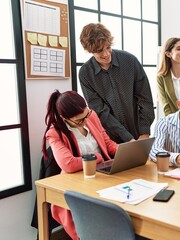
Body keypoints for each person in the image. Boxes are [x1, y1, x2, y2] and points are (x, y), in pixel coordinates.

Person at [42, 90, 118, 239]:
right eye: (79, 120)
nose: (85, 121)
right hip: (78, 181)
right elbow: (68, 164)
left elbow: (107, 143)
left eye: (86, 115)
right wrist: (97, 157)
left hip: (103, 174)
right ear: (65, 118)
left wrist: (125, 150)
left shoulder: (92, 117)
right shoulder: (55, 133)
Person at [79, 23, 155, 143]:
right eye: (99, 51)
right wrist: (127, 137)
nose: (106, 54)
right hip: (110, 139)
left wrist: (144, 132)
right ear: (90, 50)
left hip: (139, 133)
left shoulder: (130, 61)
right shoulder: (85, 74)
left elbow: (145, 99)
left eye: (108, 47)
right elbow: (100, 112)